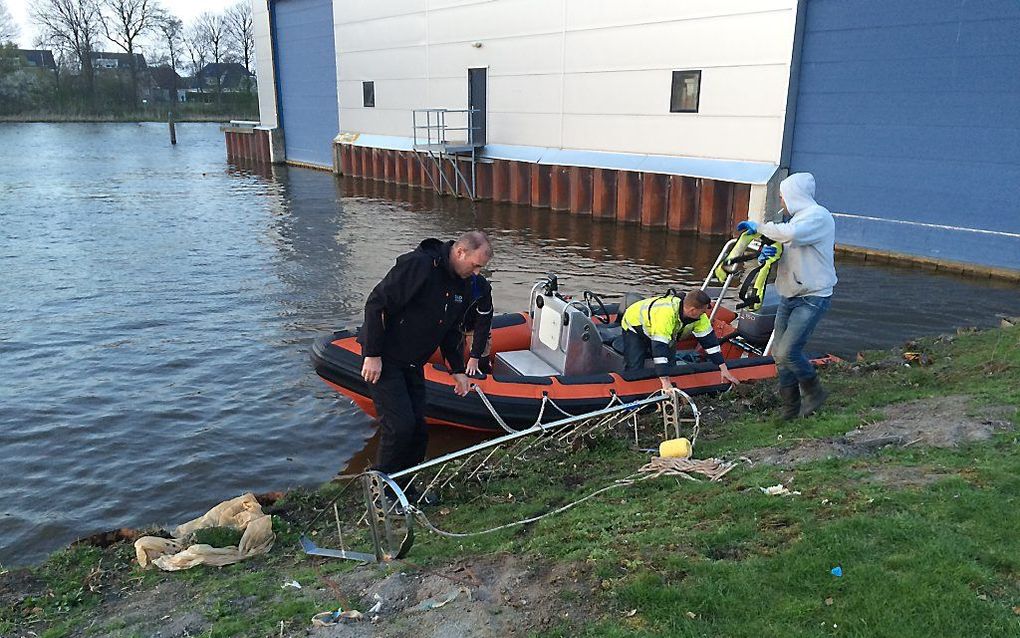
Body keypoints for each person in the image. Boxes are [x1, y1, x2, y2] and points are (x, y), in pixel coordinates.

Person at [359, 231, 494, 476]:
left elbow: (452, 329)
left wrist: (457, 370)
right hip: (386, 358)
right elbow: (377, 303)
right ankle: (382, 487)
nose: (476, 273)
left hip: (413, 362)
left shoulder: (461, 285)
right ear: (460, 252)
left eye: (480, 268)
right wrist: (372, 353)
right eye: (475, 266)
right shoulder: (419, 265)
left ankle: (408, 484)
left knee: (419, 429)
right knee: (399, 427)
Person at [736, 172, 837, 419]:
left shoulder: (818, 217)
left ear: (794, 195)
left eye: (782, 196)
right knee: (779, 358)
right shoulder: (797, 220)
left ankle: (814, 392)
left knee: (787, 351)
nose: (781, 201)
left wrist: (759, 227)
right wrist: (771, 254)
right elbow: (790, 246)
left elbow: (791, 235)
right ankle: (790, 409)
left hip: (813, 295)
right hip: (790, 294)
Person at [620, 289, 741, 392]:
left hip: (667, 331)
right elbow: (659, 350)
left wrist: (724, 369)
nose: (705, 313)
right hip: (634, 324)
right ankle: (632, 392)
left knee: (671, 363)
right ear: (693, 310)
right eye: (703, 311)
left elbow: (710, 343)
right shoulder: (666, 315)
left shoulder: (699, 318)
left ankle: (672, 388)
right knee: (635, 363)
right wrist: (665, 381)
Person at [460, 273, 494, 376]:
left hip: (475, 324)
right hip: (456, 324)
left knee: (482, 358)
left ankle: (486, 375)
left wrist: (475, 357)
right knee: (452, 352)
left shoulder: (482, 288)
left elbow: (483, 324)